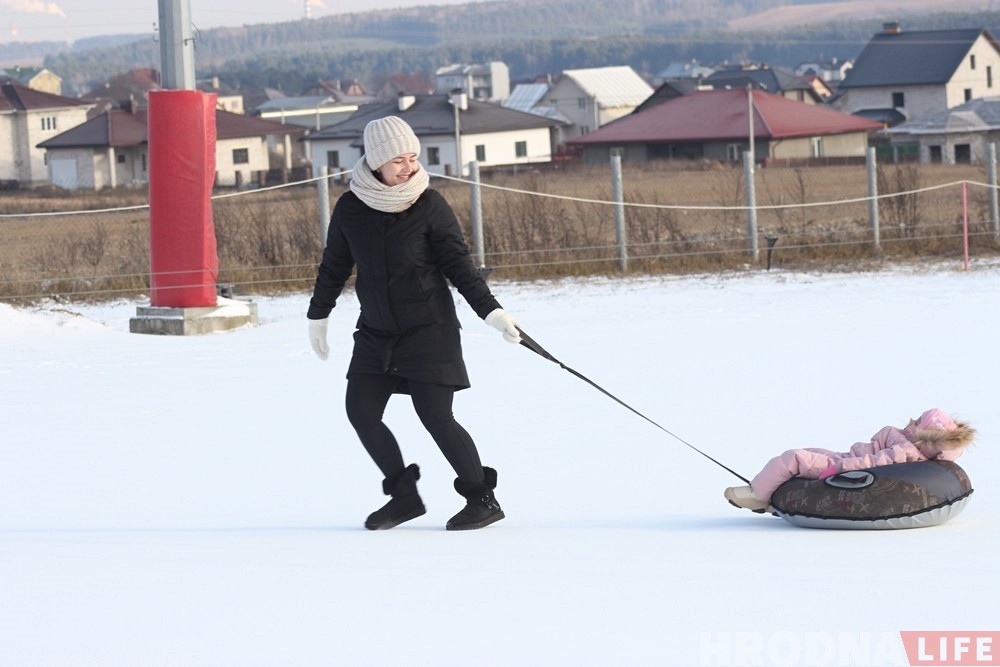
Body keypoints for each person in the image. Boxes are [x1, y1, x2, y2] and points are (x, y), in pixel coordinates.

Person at [306, 116, 521, 531]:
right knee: (361, 411)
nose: (408, 167)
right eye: (397, 160)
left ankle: (482, 499)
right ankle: (404, 498)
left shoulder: (428, 204)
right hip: (377, 332)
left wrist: (491, 312)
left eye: (412, 158)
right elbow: (334, 266)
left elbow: (459, 266)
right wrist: (318, 315)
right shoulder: (351, 206)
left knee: (434, 414)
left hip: (429, 329)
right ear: (375, 162)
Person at [724, 408, 975, 513]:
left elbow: (871, 462)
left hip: (846, 464)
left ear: (925, 435)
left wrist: (836, 469)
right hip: (846, 456)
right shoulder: (908, 445)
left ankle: (758, 495)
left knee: (793, 458)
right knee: (808, 450)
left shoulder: (904, 450)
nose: (911, 420)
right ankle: (773, 490)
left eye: (918, 421)